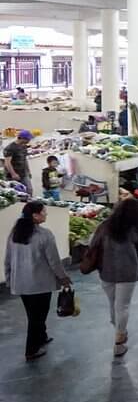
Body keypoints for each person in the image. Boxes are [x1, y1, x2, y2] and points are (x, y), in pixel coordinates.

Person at [5, 202, 70, 361]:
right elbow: (54, 261)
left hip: (20, 283)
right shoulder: (44, 235)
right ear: (35, 215)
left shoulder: (15, 233)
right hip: (40, 284)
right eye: (44, 212)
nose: (46, 214)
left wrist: (9, 279)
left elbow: (7, 259)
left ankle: (42, 337)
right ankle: (31, 350)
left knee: (33, 315)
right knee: (37, 317)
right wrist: (63, 278)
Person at [91, 198, 138, 357]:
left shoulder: (105, 225)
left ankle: (119, 330)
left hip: (106, 270)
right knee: (122, 306)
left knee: (113, 303)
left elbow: (92, 244)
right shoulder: (137, 228)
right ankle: (119, 340)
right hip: (128, 271)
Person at [4, 130, 33, 195]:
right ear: (22, 138)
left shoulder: (24, 146)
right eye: (28, 139)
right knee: (15, 192)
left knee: (29, 190)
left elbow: (24, 159)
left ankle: (28, 203)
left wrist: (28, 171)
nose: (29, 141)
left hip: (23, 173)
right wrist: (13, 174)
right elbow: (7, 163)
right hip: (12, 175)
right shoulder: (10, 148)